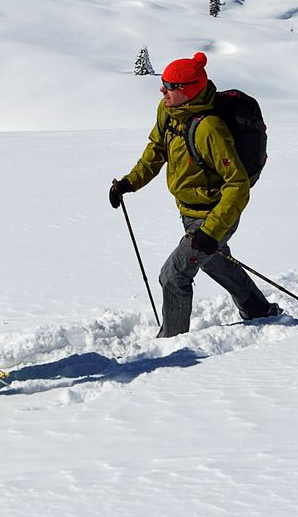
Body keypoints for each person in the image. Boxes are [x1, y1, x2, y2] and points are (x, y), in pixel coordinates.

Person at [109, 52, 279, 336]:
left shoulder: (210, 128)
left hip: (214, 216)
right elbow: (157, 148)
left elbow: (237, 186)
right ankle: (258, 310)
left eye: (169, 85)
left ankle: (172, 346)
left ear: (187, 91)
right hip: (189, 211)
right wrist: (130, 182)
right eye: (163, 82)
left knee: (173, 276)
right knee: (216, 261)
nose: (161, 89)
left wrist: (211, 232)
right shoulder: (169, 111)